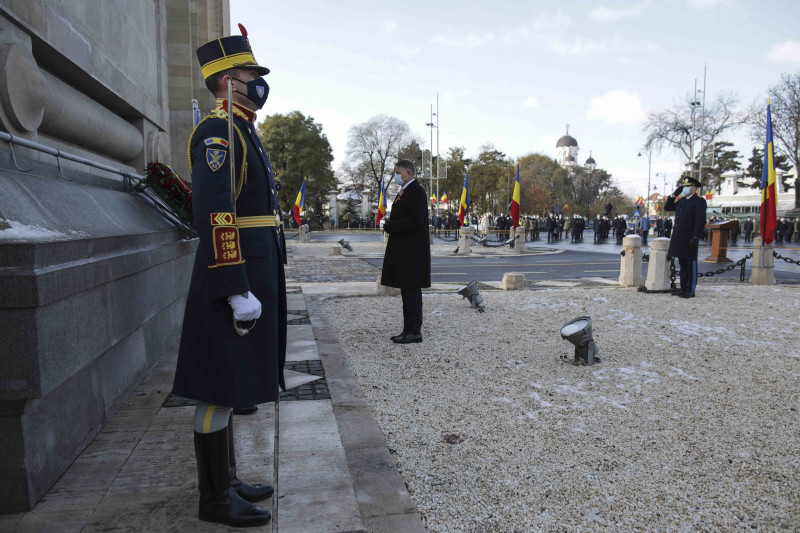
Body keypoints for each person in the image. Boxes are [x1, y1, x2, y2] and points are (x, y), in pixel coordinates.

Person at [171, 26, 287, 528]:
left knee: (234, 378)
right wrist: (235, 285)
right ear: (225, 82)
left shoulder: (241, 128)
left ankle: (229, 478)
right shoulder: (219, 133)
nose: (256, 82)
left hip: (252, 266)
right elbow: (217, 212)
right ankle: (214, 498)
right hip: (233, 275)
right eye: (248, 75)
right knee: (217, 385)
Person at [381, 160, 431, 344]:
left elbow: (414, 221)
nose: (396, 175)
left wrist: (392, 226)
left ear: (408, 173)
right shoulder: (406, 191)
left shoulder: (416, 192)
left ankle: (414, 331)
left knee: (411, 291)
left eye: (398, 172)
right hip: (405, 250)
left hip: (412, 251)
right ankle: (407, 329)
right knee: (407, 291)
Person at [664, 176, 707, 298]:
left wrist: (695, 236)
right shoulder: (682, 201)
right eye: (685, 186)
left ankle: (690, 289)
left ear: (694, 188)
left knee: (690, 264)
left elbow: (700, 220)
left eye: (688, 186)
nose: (685, 188)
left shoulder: (699, 201)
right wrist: (673, 195)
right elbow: (668, 207)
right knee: (682, 263)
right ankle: (683, 287)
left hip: (690, 236)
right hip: (679, 236)